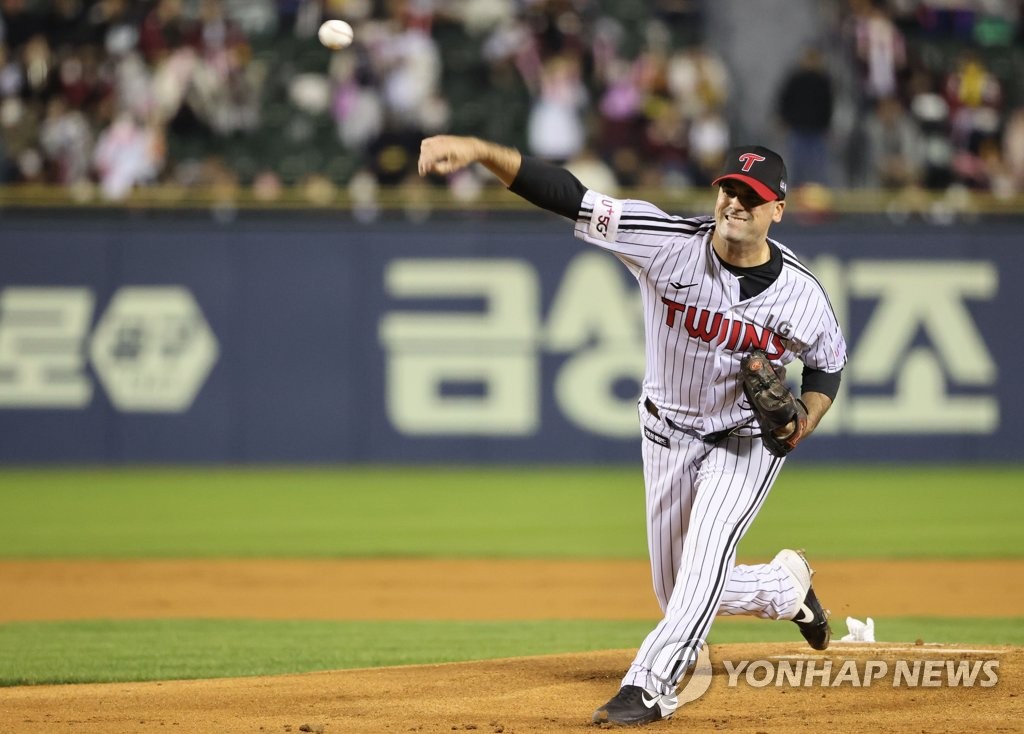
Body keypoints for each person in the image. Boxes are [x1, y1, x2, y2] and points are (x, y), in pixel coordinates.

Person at [418, 136, 847, 727]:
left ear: (778, 208)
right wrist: (479, 151)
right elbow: (568, 195)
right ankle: (783, 588)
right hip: (667, 432)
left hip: (745, 441)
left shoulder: (801, 294)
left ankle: (649, 685)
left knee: (701, 568)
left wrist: (808, 418)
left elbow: (828, 364)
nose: (735, 203)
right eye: (728, 189)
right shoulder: (665, 242)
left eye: (752, 196)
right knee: (677, 591)